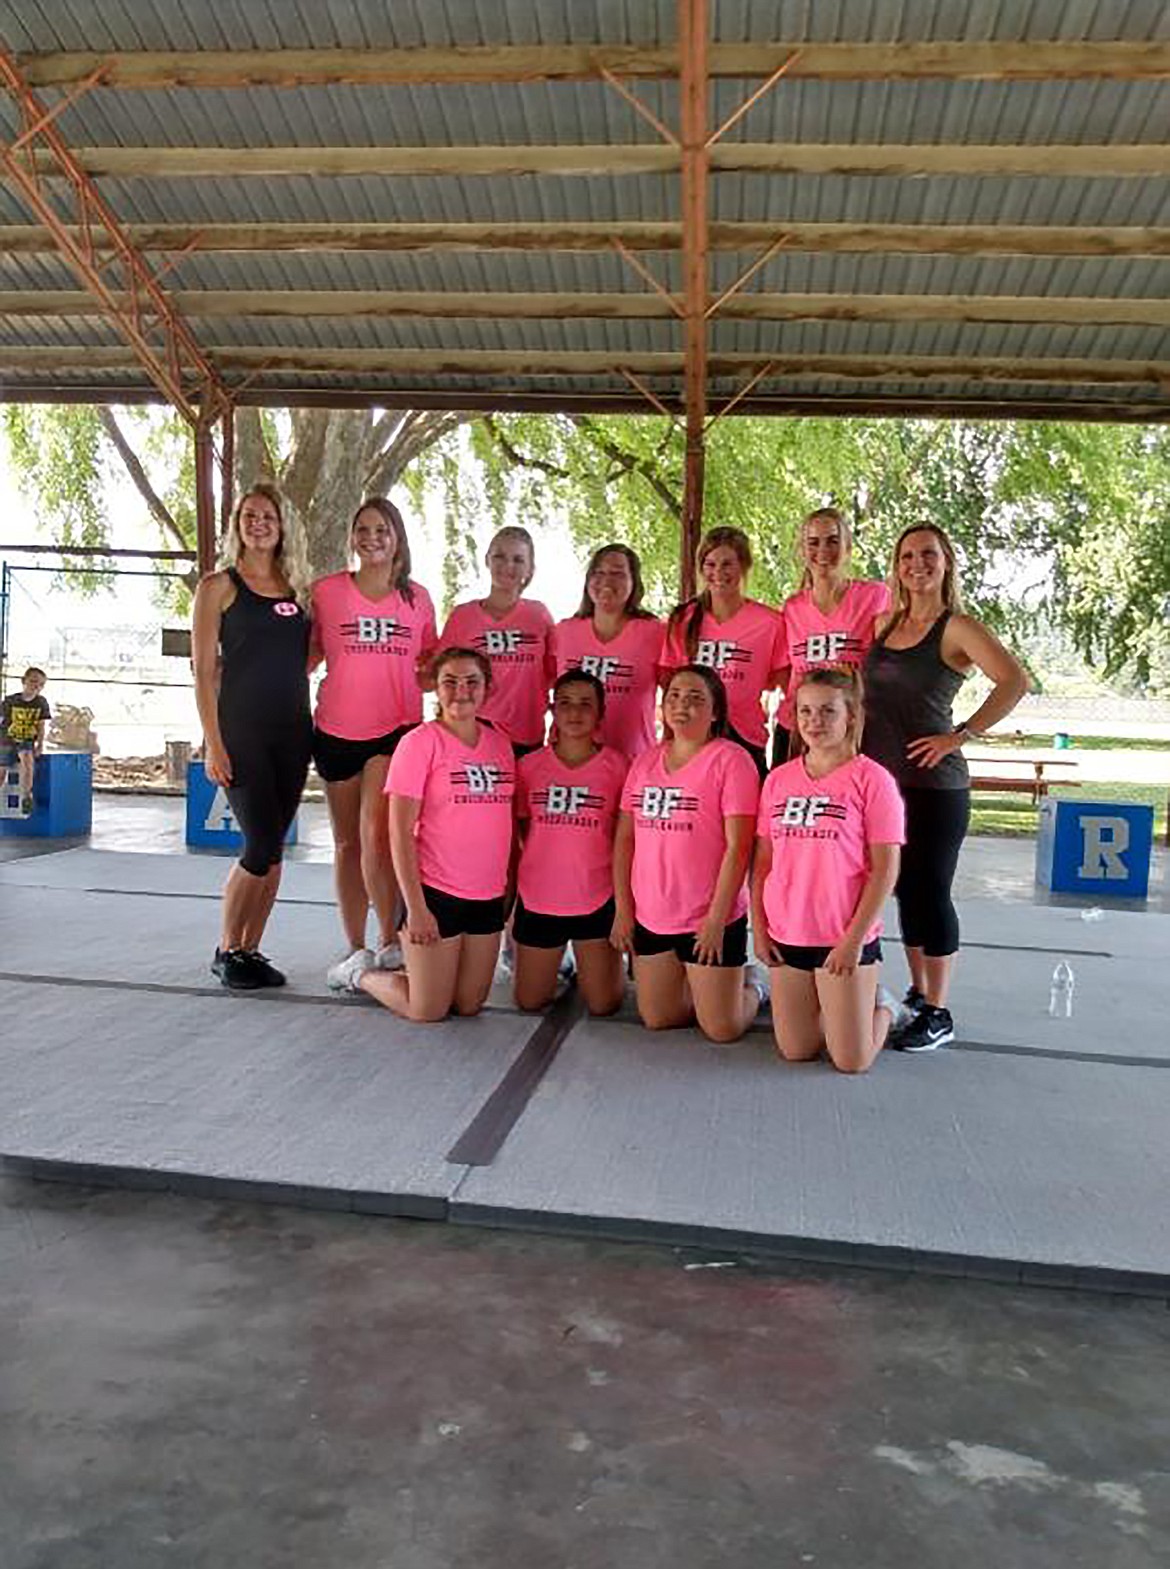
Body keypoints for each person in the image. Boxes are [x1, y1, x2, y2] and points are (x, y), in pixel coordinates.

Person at [863, 523, 1028, 1051]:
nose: (918, 564)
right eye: (907, 555)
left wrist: (959, 737)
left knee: (930, 893)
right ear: (897, 564)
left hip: (935, 787)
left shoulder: (956, 628)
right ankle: (918, 991)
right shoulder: (883, 624)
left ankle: (939, 1010)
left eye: (928, 554)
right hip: (882, 786)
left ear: (946, 562)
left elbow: (1014, 681)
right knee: (903, 891)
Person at [345, 648, 514, 1022]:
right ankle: (360, 974)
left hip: (486, 895)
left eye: (472, 681)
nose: (461, 691)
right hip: (436, 894)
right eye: (449, 682)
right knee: (428, 1010)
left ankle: (422, 974)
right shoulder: (419, 743)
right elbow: (399, 832)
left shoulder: (500, 745)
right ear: (435, 689)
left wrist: (507, 892)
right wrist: (417, 908)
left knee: (468, 1005)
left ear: (487, 687)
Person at [309, 497, 437, 991]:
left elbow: (430, 666)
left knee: (376, 834)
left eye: (381, 529)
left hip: (395, 731)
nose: (372, 537)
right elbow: (309, 654)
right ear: (352, 537)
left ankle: (388, 937)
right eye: (362, 528)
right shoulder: (327, 593)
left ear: (397, 537)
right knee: (345, 844)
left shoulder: (418, 599)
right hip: (337, 730)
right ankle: (354, 942)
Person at [752, 669, 904, 1074]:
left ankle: (884, 1008)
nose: (814, 721)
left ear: (851, 716)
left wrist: (853, 940)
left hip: (843, 934)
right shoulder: (779, 780)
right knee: (796, 1050)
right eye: (805, 711)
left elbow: (886, 868)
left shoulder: (872, 780)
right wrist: (760, 926)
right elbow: (764, 860)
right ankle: (838, 1009)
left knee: (850, 1061)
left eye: (827, 711)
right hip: (789, 931)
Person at [192, 483, 312, 990]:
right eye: (249, 515)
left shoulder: (297, 590)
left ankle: (251, 948)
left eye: (267, 516)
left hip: (293, 731)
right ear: (237, 524)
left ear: (282, 527)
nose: (258, 523)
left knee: (275, 849)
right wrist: (213, 742)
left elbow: (306, 657)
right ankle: (226, 948)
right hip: (241, 732)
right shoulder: (218, 587)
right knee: (258, 844)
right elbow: (201, 673)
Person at [612, 664, 763, 1044]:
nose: (682, 705)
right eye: (674, 696)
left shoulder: (732, 760)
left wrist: (716, 919)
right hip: (653, 914)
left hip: (708, 918)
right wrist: (624, 909)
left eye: (696, 698)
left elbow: (739, 846)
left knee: (721, 1029)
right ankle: (710, 987)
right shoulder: (645, 761)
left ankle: (753, 988)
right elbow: (625, 839)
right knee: (658, 1018)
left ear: (715, 712)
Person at [513, 671, 627, 1016]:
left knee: (604, 1005)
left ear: (600, 714)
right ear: (551, 710)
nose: (574, 713)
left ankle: (594, 966)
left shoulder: (618, 766)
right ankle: (559, 963)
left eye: (585, 704)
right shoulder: (528, 767)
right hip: (540, 897)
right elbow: (522, 827)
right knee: (530, 1002)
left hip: (596, 897)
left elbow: (626, 837)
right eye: (565, 703)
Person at [662, 526, 786, 779]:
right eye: (710, 564)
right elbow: (669, 683)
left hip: (745, 737)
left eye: (727, 564)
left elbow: (781, 682)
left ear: (743, 566)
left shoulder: (770, 622)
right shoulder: (683, 620)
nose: (718, 573)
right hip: (690, 735)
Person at [775, 506, 891, 764]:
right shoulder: (792, 608)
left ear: (848, 547)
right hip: (799, 727)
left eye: (833, 541)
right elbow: (784, 671)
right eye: (813, 542)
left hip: (851, 728)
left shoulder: (875, 596)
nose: (823, 551)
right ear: (802, 551)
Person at [438, 526, 554, 756]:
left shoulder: (538, 615)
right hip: (473, 730)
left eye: (518, 559)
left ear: (530, 568)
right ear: (487, 560)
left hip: (525, 734)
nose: (507, 565)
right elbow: (441, 675)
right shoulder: (463, 616)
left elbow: (553, 673)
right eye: (499, 556)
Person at [550, 544, 664, 760]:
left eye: (618, 573)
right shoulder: (564, 632)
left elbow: (674, 694)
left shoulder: (655, 632)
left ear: (634, 582)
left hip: (634, 762)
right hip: (570, 763)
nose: (606, 581)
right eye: (598, 572)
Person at [1, 666, 51, 815]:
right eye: (33, 681)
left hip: (26, 739)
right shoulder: (10, 700)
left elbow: (41, 726)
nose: (36, 686)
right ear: (24, 681)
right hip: (6, 739)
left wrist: (40, 745)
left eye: (41, 684)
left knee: (28, 760)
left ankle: (26, 796)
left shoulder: (41, 702)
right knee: (1, 769)